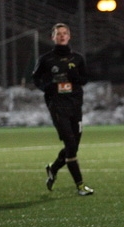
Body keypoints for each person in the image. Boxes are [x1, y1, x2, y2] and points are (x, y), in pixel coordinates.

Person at [32, 23, 93, 196]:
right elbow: (36, 79)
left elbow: (85, 79)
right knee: (71, 144)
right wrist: (47, 87)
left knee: (73, 146)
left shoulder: (78, 58)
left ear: (69, 36)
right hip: (57, 105)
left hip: (75, 105)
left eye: (65, 33)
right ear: (53, 37)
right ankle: (80, 186)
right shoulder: (46, 59)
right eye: (58, 34)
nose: (62, 36)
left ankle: (53, 168)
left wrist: (77, 78)